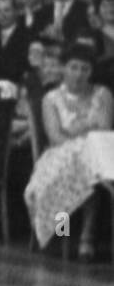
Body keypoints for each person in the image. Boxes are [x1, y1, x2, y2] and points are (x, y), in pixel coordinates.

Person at [24, 44, 114, 259]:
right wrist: (84, 132)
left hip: (98, 151)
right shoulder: (51, 98)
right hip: (61, 154)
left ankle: (88, 234)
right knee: (84, 169)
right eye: (73, 67)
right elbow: (56, 137)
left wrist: (78, 132)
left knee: (92, 164)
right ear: (64, 68)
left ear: (91, 71)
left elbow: (103, 130)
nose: (78, 74)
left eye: (85, 69)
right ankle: (75, 235)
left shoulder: (103, 94)